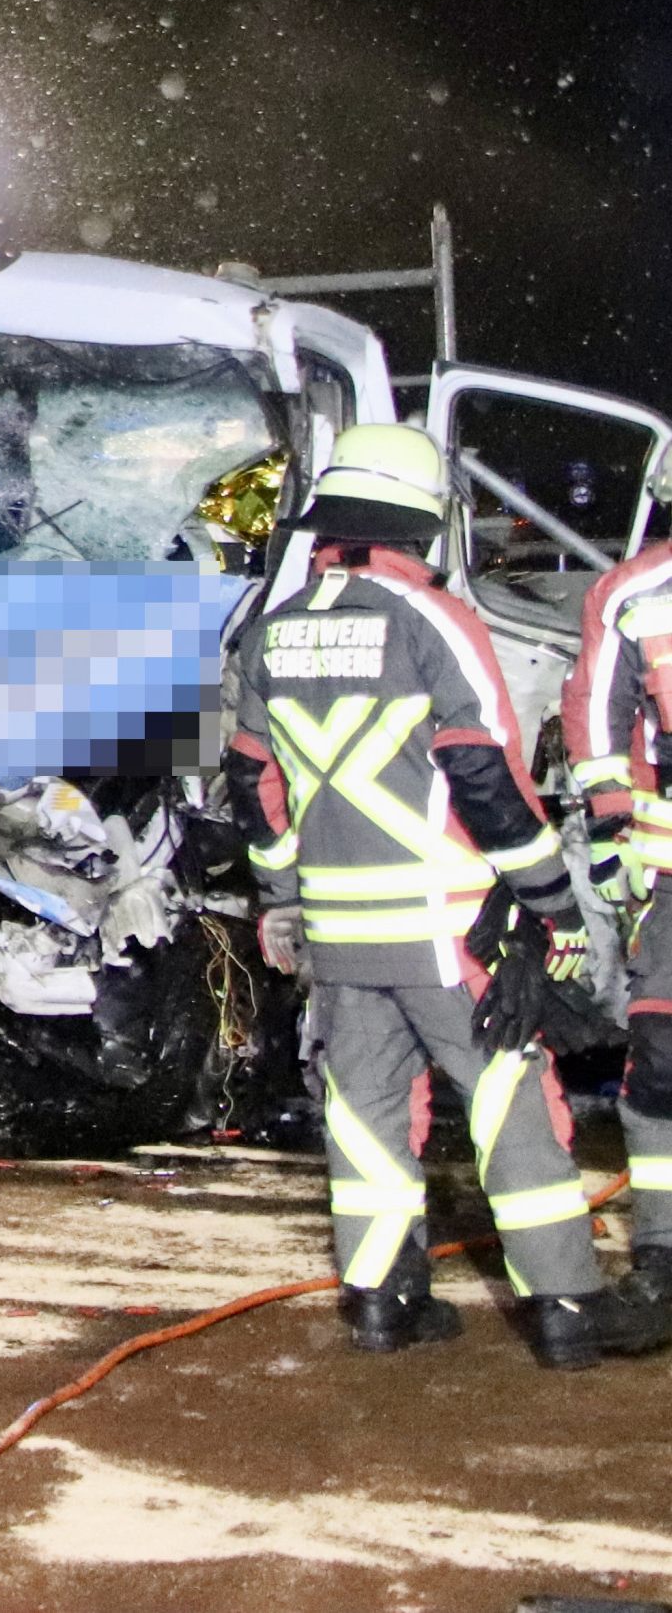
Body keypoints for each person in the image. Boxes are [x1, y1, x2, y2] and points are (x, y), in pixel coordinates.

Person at [225, 423, 671, 1369]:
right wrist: (548, 897)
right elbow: (485, 772)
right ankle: (564, 1308)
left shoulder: (272, 631)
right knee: (510, 1101)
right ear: (421, 523)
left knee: (365, 1112)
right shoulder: (434, 620)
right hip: (446, 924)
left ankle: (382, 1299)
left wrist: (277, 901)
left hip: (338, 933)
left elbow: (252, 782)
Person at [562, 438, 672, 1305]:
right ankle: (664, 1253)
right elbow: (598, 724)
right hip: (670, 877)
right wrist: (609, 831)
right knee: (662, 1059)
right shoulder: (634, 591)